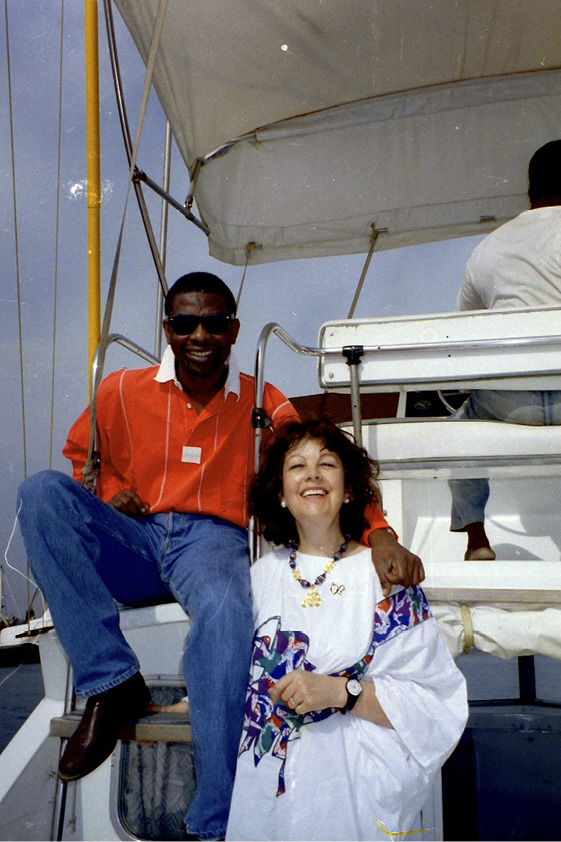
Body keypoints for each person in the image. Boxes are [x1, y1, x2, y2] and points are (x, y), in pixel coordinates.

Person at [16, 272, 423, 841]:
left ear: (233, 331)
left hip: (212, 542)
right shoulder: (119, 390)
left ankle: (216, 826)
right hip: (137, 536)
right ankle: (110, 682)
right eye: (185, 324)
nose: (199, 335)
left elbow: (323, 460)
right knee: (39, 494)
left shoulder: (262, 400)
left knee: (230, 613)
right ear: (167, 329)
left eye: (213, 323)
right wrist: (111, 494)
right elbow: (84, 454)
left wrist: (379, 533)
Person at [226, 418, 467, 841]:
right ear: (280, 494)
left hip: (351, 804)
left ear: (350, 489)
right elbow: (236, 681)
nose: (313, 474)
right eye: (297, 466)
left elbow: (437, 703)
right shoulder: (257, 579)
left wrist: (341, 692)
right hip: (268, 806)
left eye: (327, 464)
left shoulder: (385, 578)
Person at [449, 139, 561, 560]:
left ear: (530, 191)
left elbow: (461, 337)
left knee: (459, 429)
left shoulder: (488, 248)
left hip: (512, 405)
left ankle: (477, 540)